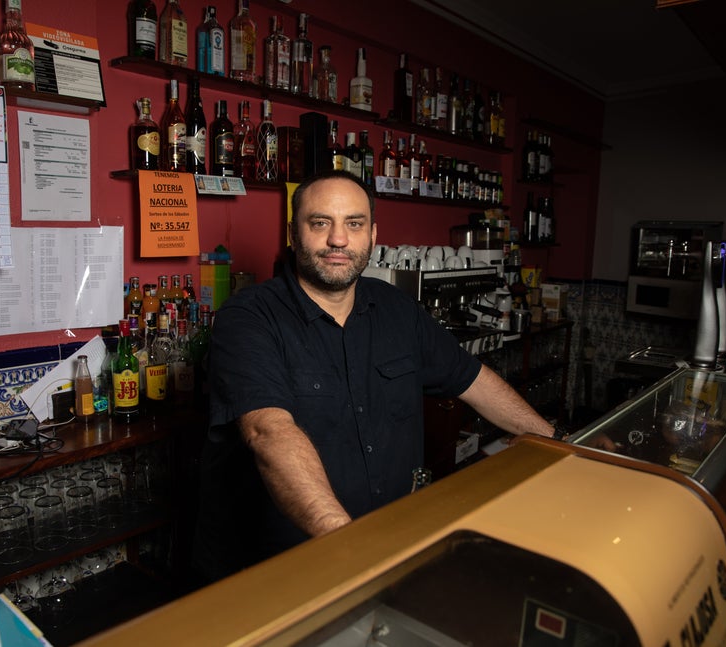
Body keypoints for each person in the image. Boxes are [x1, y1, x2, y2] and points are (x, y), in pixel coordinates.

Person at [192, 170, 555, 582]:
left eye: (354, 224)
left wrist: (558, 445)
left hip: (384, 552)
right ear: (293, 233)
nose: (338, 240)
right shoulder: (248, 318)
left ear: (372, 234)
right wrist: (352, 548)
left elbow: (473, 379)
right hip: (276, 573)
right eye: (320, 223)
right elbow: (269, 431)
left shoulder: (395, 309)